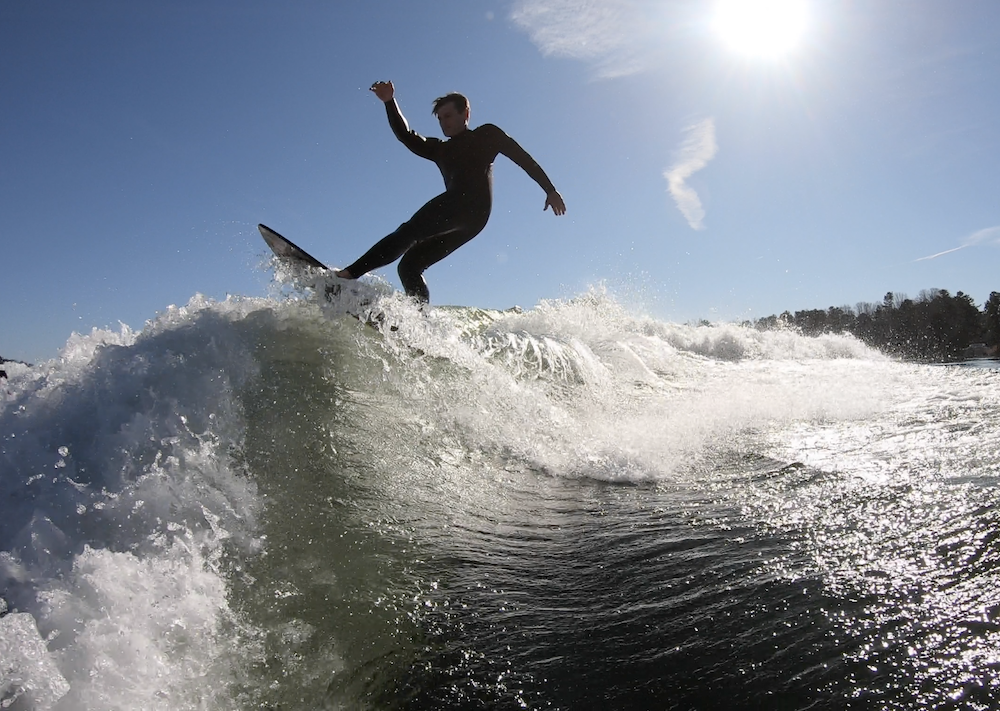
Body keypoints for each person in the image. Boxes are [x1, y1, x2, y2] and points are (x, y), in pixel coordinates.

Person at [334, 81, 566, 303]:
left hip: (467, 206)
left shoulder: (486, 135)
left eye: (448, 116)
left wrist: (550, 189)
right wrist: (389, 101)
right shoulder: (439, 149)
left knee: (409, 232)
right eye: (440, 119)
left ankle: (348, 275)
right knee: (409, 266)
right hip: (473, 222)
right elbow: (406, 135)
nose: (443, 123)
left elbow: (522, 158)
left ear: (465, 114)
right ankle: (417, 324)